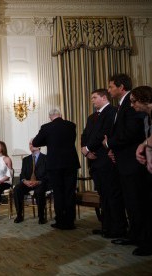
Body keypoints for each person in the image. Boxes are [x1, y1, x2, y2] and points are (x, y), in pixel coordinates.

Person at [102, 74, 150, 256]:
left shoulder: (130, 106)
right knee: (130, 201)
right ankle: (134, 234)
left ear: (121, 87)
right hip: (124, 160)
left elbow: (131, 132)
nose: (108, 90)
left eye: (111, 86)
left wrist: (109, 144)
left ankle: (143, 238)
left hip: (133, 162)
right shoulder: (123, 105)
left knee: (138, 202)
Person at [80, 89, 127, 238]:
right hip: (94, 162)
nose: (92, 100)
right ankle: (106, 226)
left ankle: (118, 228)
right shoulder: (91, 116)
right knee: (103, 196)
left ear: (104, 97)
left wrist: (88, 148)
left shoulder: (112, 112)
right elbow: (84, 134)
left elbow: (104, 134)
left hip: (106, 160)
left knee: (112, 195)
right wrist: (84, 149)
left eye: (94, 97)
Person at [32, 108, 80, 230]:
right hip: (70, 163)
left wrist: (48, 140)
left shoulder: (46, 127)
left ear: (50, 117)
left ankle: (60, 221)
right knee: (69, 192)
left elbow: (36, 142)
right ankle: (70, 221)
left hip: (55, 164)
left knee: (58, 193)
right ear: (61, 115)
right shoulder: (71, 125)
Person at [130, 85, 152, 256]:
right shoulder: (146, 118)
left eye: (134, 101)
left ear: (145, 100)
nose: (132, 105)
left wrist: (143, 144)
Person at [13, 139, 48, 224]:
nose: (31, 145)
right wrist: (25, 181)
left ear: (39, 146)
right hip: (28, 183)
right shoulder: (26, 160)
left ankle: (41, 217)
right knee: (17, 189)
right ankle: (19, 215)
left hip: (41, 183)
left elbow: (48, 175)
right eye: (29, 144)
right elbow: (22, 174)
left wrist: (38, 182)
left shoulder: (46, 158)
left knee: (39, 191)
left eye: (33, 143)